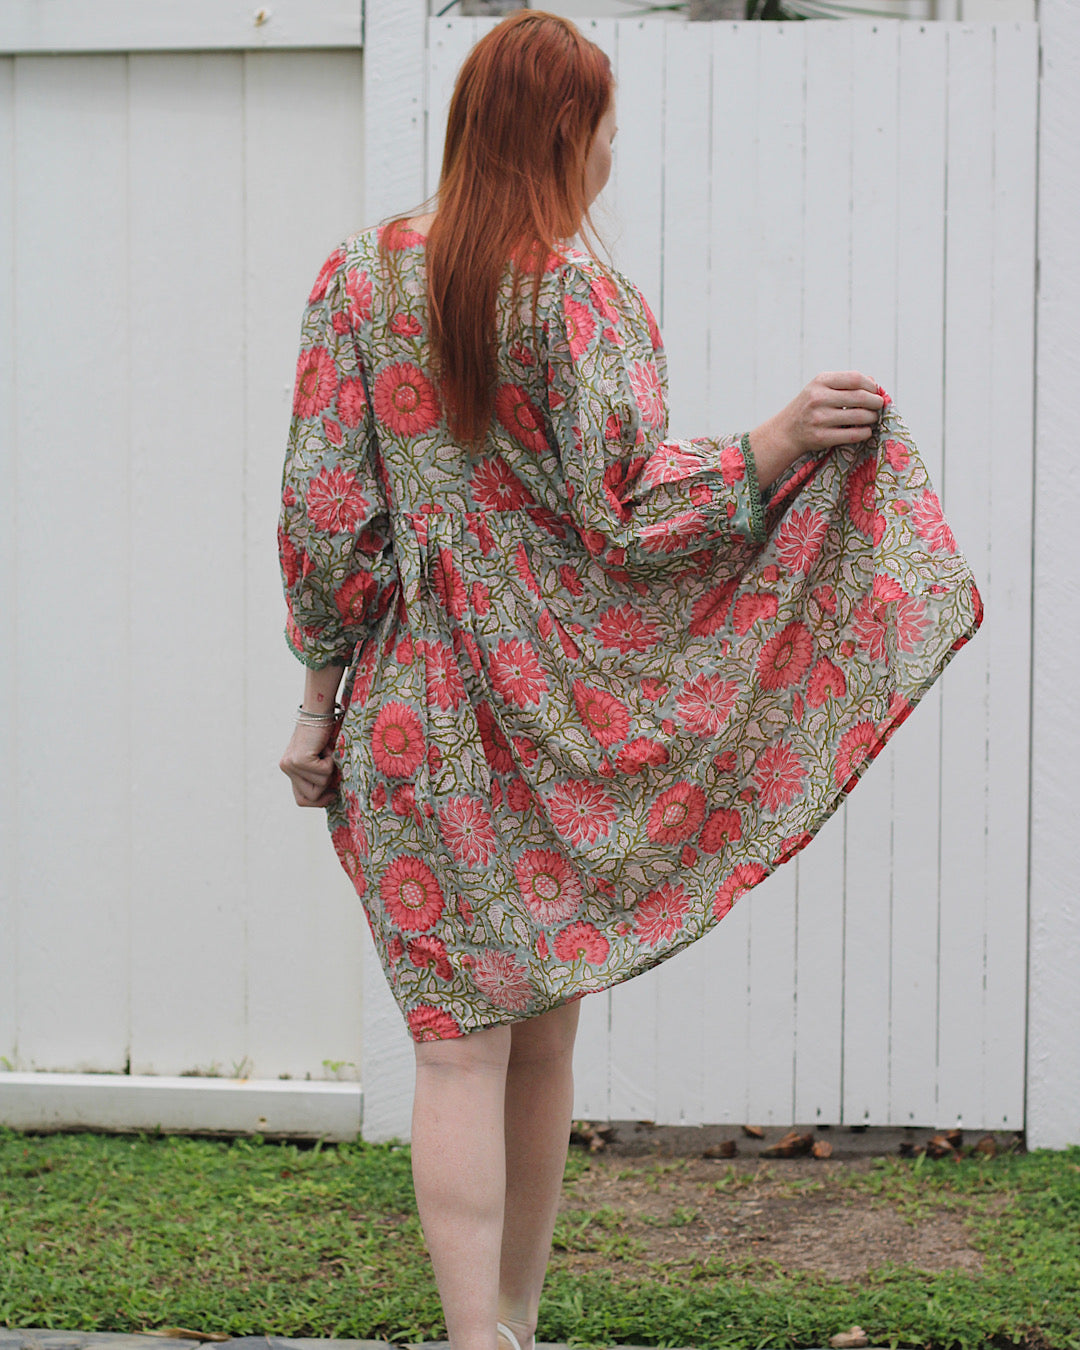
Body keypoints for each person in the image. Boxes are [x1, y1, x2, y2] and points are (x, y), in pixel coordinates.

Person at [278, 12, 980, 1350]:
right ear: (565, 133)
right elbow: (630, 515)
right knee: (540, 1039)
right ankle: (512, 1324)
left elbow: (326, 520)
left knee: (455, 1046)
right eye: (604, 130)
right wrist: (777, 441)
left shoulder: (356, 278)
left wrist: (318, 706)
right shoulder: (575, 296)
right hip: (555, 719)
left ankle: (485, 1339)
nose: (610, 155)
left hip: (415, 713)